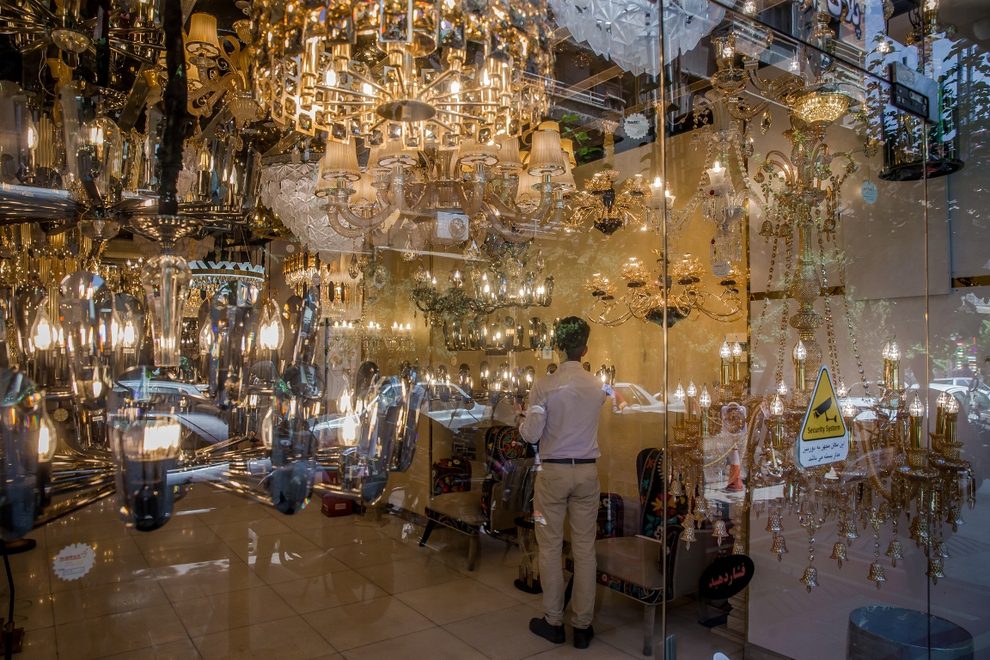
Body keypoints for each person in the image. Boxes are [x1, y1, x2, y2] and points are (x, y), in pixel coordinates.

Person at [517, 316, 608, 649]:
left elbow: (531, 434)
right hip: (586, 472)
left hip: (552, 474)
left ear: (558, 346)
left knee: (550, 546)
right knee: (585, 549)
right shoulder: (597, 386)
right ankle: (582, 627)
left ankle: (553, 621)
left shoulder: (545, 386)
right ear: (585, 348)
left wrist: (519, 418)